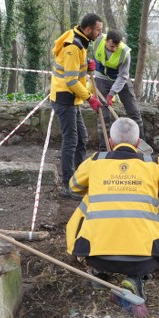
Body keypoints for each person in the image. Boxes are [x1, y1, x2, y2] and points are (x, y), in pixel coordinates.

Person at [66, 117, 159, 306]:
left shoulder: (95, 161)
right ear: (139, 143)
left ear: (110, 142)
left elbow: (73, 188)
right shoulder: (154, 164)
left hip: (96, 256)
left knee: (89, 198)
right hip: (143, 260)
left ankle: (99, 274)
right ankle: (135, 279)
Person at [50, 13, 105, 199]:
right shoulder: (73, 46)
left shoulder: (80, 41)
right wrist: (90, 98)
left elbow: (76, 70)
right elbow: (71, 80)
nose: (100, 34)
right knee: (71, 140)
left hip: (72, 98)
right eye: (98, 30)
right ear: (88, 29)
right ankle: (68, 185)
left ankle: (79, 178)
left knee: (82, 138)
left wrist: (87, 65)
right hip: (64, 98)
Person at [92, 29, 145, 151]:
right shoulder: (97, 41)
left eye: (116, 46)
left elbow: (122, 76)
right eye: (111, 46)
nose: (114, 49)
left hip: (121, 79)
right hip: (102, 78)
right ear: (106, 41)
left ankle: (140, 146)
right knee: (102, 115)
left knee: (134, 113)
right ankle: (105, 148)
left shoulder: (125, 52)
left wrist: (111, 94)